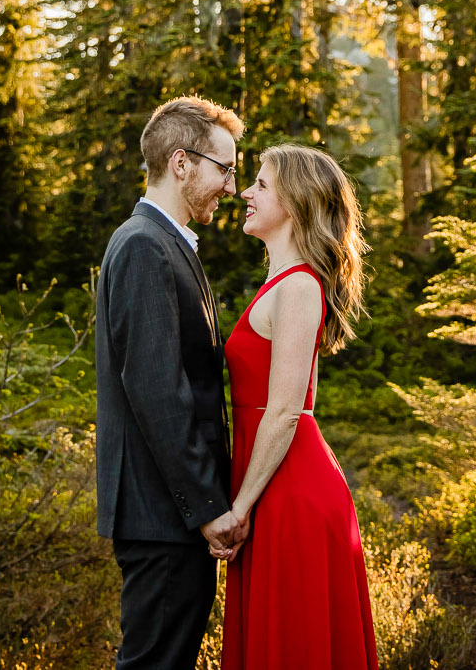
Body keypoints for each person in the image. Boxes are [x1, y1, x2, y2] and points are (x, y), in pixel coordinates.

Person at [94, 95, 250, 670]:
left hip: (169, 513)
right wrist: (207, 506)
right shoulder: (143, 246)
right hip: (161, 514)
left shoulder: (166, 243)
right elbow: (157, 391)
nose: (230, 188)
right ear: (181, 163)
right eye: (224, 170)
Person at [220, 144, 378, 670]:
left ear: (294, 201)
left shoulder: (301, 286)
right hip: (273, 485)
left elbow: (287, 410)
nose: (246, 191)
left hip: (291, 496)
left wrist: (239, 509)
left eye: (260, 185)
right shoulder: (283, 283)